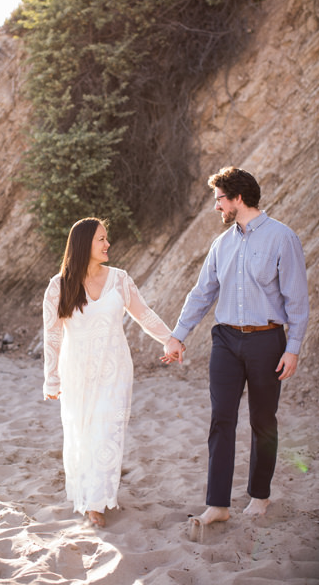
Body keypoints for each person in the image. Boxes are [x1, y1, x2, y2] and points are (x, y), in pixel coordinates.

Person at [162, 166, 308, 538]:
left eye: (220, 200)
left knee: (263, 420)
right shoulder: (221, 244)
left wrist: (292, 348)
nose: (217, 207)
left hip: (267, 341)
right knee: (221, 419)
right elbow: (202, 293)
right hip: (225, 341)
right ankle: (218, 505)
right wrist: (178, 335)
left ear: (238, 199)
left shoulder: (282, 238)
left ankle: (259, 496)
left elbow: (297, 300)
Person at [42, 217, 176, 528]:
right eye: (101, 239)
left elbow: (143, 314)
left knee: (107, 433)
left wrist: (170, 339)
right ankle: (89, 495)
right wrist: (51, 377)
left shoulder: (119, 279)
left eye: (106, 238)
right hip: (77, 373)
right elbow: (52, 335)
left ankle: (96, 503)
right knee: (83, 433)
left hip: (115, 370)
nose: (108, 244)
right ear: (83, 244)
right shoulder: (58, 286)